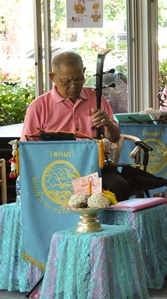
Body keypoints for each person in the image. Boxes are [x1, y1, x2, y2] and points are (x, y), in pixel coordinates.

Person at [21, 51, 130, 200]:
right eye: (66, 81)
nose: (73, 86)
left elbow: (114, 137)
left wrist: (107, 124)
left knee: (119, 187)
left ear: (84, 72)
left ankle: (97, 214)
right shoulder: (39, 107)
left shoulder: (95, 97)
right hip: (55, 172)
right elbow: (27, 148)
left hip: (92, 170)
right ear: (53, 77)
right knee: (69, 195)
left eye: (79, 79)